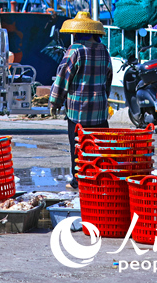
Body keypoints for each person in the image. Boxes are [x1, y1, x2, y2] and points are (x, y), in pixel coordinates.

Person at [48, 11, 112, 190]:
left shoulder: (74, 51)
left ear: (76, 33)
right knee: (99, 149)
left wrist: (55, 102)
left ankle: (78, 181)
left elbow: (62, 77)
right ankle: (98, 179)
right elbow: (108, 79)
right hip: (99, 112)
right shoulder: (104, 51)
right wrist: (103, 97)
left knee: (78, 147)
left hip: (78, 112)